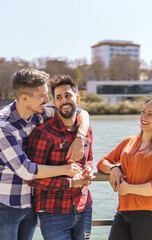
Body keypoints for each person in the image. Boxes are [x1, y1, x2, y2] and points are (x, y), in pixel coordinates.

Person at [0, 69, 90, 240]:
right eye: (42, 96)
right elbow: (26, 170)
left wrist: (80, 136)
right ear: (24, 98)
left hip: (30, 203)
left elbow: (80, 113)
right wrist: (67, 170)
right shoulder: (2, 127)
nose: (48, 100)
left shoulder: (38, 114)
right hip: (3, 205)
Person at [26, 75, 94, 240]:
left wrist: (88, 170)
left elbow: (89, 158)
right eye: (59, 97)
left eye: (68, 95)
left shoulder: (86, 131)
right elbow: (32, 179)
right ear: (54, 103)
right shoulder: (43, 133)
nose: (64, 100)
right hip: (53, 211)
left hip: (83, 206)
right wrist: (70, 182)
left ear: (77, 98)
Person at [97, 97, 152, 240]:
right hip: (122, 212)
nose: (143, 117)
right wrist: (114, 168)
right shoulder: (129, 141)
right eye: (143, 112)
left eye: (150, 114)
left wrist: (128, 188)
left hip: (148, 214)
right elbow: (102, 163)